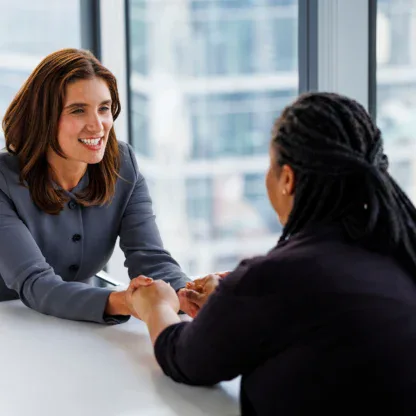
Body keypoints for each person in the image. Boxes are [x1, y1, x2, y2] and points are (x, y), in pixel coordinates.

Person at [129, 92, 416, 415]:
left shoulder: (277, 277)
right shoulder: (401, 250)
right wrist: (230, 307)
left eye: (271, 166)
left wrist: (156, 306)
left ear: (288, 179)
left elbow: (185, 359)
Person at [0, 48, 217, 324]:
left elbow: (149, 257)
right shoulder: (3, 181)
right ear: (43, 118)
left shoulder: (123, 164)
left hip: (70, 327)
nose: (98, 125)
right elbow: (35, 284)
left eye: (104, 108)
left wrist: (187, 294)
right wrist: (126, 301)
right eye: (78, 110)